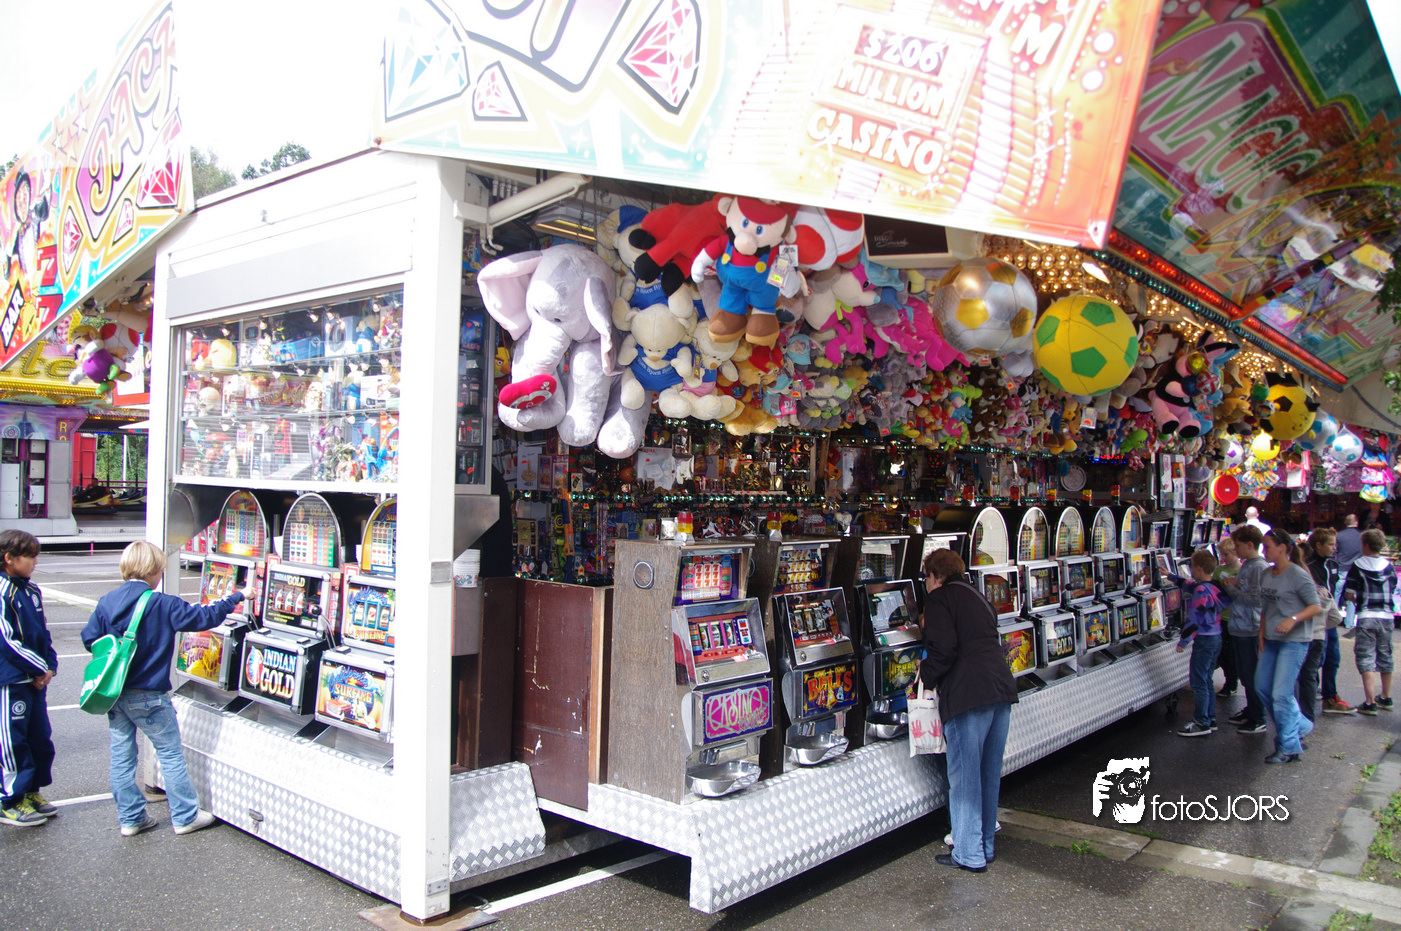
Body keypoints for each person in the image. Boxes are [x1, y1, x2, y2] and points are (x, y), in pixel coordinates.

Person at [81, 541, 254, 837]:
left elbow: (90, 640)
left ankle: (130, 819)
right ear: (152, 570)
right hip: (149, 695)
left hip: (114, 693)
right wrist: (238, 596)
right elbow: (205, 617)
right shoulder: (162, 603)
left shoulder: (107, 601)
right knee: (170, 754)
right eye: (160, 569)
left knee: (121, 757)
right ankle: (185, 816)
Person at [920, 548, 1018, 873]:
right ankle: (984, 846)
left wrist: (925, 675)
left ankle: (967, 853)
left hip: (968, 694)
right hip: (1000, 689)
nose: (926, 584)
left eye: (926, 578)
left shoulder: (939, 599)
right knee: (988, 774)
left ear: (935, 576)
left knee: (964, 777)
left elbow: (943, 650)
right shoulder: (978, 596)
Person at [0, 530, 57, 827]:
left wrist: (50, 666)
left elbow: (43, 634)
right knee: (12, 741)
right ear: (9, 558)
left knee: (39, 737)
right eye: (30, 556)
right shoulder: (2, 591)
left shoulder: (32, 591)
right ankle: (9, 799)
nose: (35, 562)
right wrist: (38, 669)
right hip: (11, 681)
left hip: (35, 679)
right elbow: (6, 641)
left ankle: (31, 789)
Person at [1254, 529, 1321, 764]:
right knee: (1262, 687)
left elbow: (1315, 606)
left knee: (1281, 694)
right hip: (1271, 639)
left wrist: (1293, 619)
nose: (1264, 551)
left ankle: (1288, 746)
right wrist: (1261, 633)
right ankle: (1300, 725)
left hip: (1294, 641)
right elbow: (1266, 608)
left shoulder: (1298, 575)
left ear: (1282, 548)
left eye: (1267, 546)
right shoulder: (1266, 574)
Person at [1172, 550, 1227, 737]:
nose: (1191, 571)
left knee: (1198, 681)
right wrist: (1171, 576)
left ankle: (1201, 722)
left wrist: (1183, 641)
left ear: (1199, 568)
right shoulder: (1213, 587)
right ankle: (1210, 718)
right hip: (1216, 637)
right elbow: (1191, 586)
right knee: (1207, 679)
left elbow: (1194, 619)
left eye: (1193, 567)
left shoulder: (1201, 591)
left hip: (1204, 639)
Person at [1343, 528, 1396, 715]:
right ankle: (1386, 696)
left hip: (1366, 615)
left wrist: (1358, 598)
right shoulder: (1388, 566)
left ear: (1365, 545)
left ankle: (1370, 701)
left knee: (1366, 656)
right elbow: (1393, 587)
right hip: (1387, 616)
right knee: (1385, 654)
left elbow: (1349, 593)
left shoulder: (1357, 565)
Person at [1222, 526, 1269, 735]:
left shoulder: (1258, 567)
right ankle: (1251, 710)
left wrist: (1231, 589)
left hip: (1251, 628)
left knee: (1251, 675)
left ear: (1250, 545)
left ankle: (1258, 717)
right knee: (1245, 674)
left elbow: (1256, 600)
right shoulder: (1249, 565)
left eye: (1238, 545)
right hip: (1241, 626)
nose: (1236, 549)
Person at [1307, 528, 1354, 714]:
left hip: (1330, 619)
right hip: (1315, 619)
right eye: (1331, 544)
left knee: (1333, 659)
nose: (1335, 548)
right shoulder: (1308, 565)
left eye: (1335, 544)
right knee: (1315, 660)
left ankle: (1330, 697)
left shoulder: (1333, 564)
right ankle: (1308, 695)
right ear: (1318, 545)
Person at [1213, 538, 1241, 699]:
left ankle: (1231, 683)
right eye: (1221, 554)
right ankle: (1229, 680)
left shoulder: (1243, 571)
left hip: (1234, 618)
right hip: (1220, 616)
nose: (1223, 557)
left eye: (1226, 554)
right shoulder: (1219, 570)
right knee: (1222, 652)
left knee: (1231, 653)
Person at [1335, 514, 1364, 582]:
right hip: (1359, 568)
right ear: (1357, 522)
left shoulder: (1338, 535)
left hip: (1342, 569)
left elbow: (1333, 553)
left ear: (1345, 522)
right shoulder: (1363, 536)